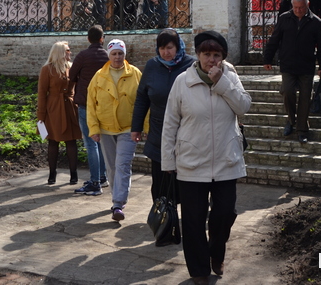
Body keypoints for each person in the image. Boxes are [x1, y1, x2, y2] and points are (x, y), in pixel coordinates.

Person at [162, 31, 251, 284]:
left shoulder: (231, 77)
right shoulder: (182, 81)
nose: (211, 60)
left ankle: (216, 253)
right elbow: (170, 123)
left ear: (222, 58)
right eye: (206, 54)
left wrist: (222, 83)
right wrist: (168, 161)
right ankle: (199, 270)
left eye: (216, 55)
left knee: (225, 213)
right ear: (198, 55)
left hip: (226, 161)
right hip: (191, 163)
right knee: (193, 220)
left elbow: (244, 106)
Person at [131, 28, 195, 203]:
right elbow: (142, 98)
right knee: (160, 183)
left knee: (185, 183)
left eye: (170, 47)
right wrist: (136, 128)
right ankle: (162, 219)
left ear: (178, 46)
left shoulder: (191, 66)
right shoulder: (152, 65)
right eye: (162, 48)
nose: (166, 53)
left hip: (186, 131)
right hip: (158, 132)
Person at [87, 39, 142, 221]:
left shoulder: (135, 74)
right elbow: (91, 105)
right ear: (109, 55)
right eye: (114, 54)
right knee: (111, 167)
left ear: (125, 55)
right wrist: (94, 128)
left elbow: (144, 102)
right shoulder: (99, 76)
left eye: (120, 53)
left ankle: (118, 203)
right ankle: (115, 196)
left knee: (122, 165)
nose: (117, 57)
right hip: (105, 129)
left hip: (128, 129)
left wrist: (143, 126)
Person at [263, 0, 321, 144]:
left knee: (306, 98)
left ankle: (302, 129)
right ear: (292, 6)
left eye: (301, 7)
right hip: (288, 64)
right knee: (287, 91)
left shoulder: (316, 22)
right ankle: (291, 120)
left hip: (306, 65)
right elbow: (274, 40)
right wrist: (268, 58)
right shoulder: (284, 18)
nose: (298, 10)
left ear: (307, 5)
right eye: (296, 7)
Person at [69, 25, 110, 196]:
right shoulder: (108, 56)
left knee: (90, 142)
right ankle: (102, 177)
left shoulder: (83, 56)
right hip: (104, 104)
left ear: (88, 38)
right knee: (100, 141)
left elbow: (71, 75)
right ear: (102, 39)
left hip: (86, 104)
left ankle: (94, 183)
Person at [37, 41, 82, 185]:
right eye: (67, 50)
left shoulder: (73, 67)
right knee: (53, 141)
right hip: (53, 108)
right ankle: (52, 173)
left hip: (69, 107)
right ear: (60, 52)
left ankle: (74, 174)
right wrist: (41, 116)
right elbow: (42, 93)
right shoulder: (47, 69)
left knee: (71, 140)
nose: (70, 52)